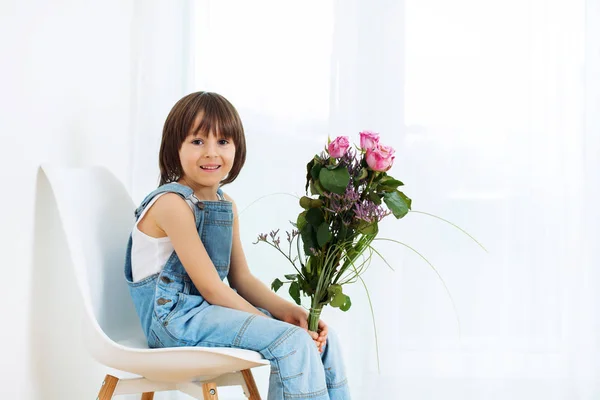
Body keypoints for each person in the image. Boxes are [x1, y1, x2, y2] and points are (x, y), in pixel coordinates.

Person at [123, 91, 350, 399]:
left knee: (325, 338)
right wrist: (281, 328)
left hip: (205, 313)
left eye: (223, 142)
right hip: (173, 321)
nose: (211, 153)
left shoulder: (225, 204)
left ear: (237, 149)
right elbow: (212, 289)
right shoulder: (171, 205)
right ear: (174, 147)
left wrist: (290, 313)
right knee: (292, 342)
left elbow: (241, 280)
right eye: (197, 141)